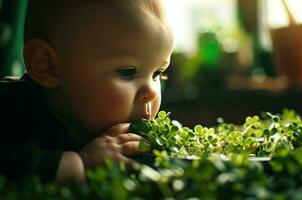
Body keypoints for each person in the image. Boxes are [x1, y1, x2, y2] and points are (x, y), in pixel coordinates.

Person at [0, 0, 173, 183]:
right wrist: (80, 164)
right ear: (48, 67)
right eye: (127, 72)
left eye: (157, 73)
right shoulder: (10, 107)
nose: (152, 93)